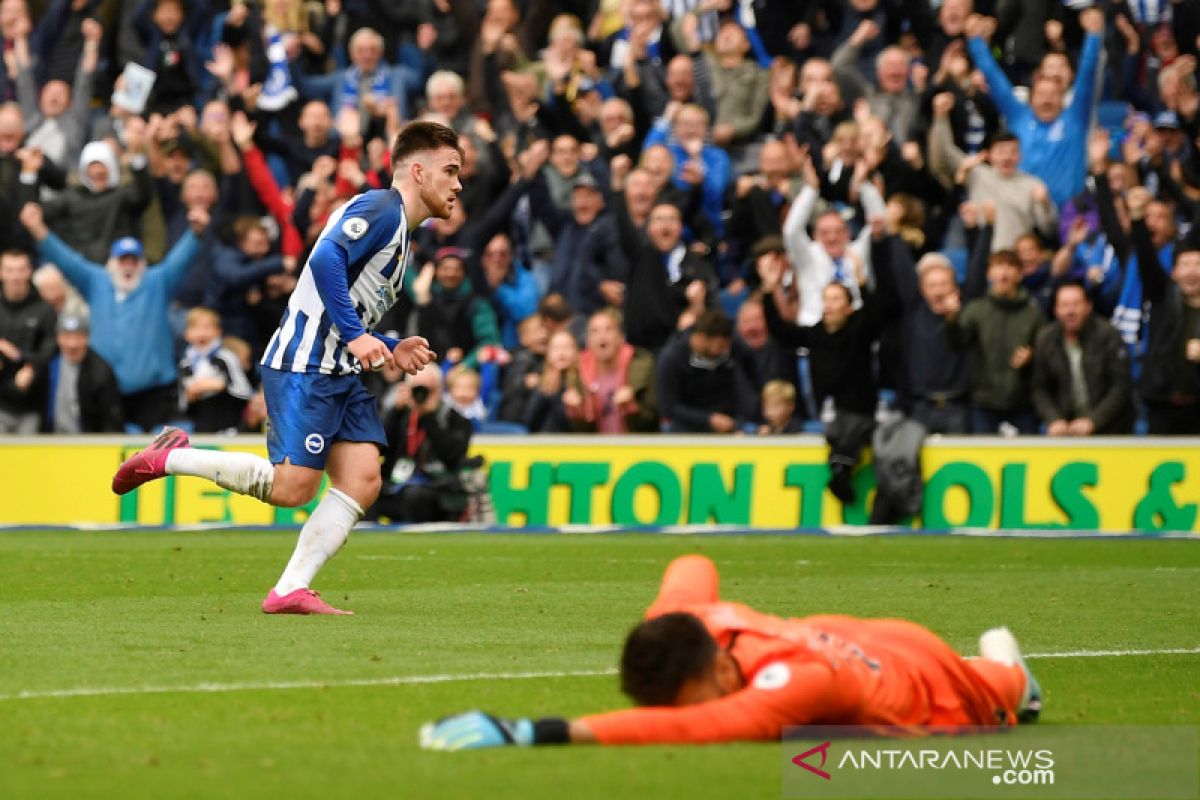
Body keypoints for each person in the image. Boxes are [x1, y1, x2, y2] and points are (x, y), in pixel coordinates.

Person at [108, 121, 459, 615]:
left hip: (338, 369)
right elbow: (326, 260)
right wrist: (360, 337)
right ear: (418, 171)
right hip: (305, 363)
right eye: (450, 170)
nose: (458, 183)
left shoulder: (401, 236)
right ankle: (171, 457)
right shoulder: (382, 208)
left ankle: (290, 588)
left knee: (362, 479)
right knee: (292, 487)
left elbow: (340, 303)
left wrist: (387, 343)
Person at [419, 554, 1042, 749]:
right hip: (856, 635)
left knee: (1005, 688)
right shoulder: (682, 624)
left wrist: (535, 731)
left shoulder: (799, 686)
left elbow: (710, 723)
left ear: (721, 666)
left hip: (925, 680)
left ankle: (1012, 671)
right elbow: (692, 563)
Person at [20, 206, 208, 432]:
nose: (128, 265)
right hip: (106, 390)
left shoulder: (158, 281)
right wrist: (38, 230)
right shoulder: (95, 280)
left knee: (155, 455)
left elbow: (180, 260)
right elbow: (66, 260)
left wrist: (195, 232)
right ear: (112, 262)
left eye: (134, 260)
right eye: (122, 260)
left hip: (154, 392)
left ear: (142, 263)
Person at [366, 363, 474, 524]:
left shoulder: (455, 419)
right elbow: (378, 448)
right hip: (398, 486)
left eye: (427, 390)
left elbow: (452, 456)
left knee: (415, 495)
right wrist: (394, 412)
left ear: (439, 389)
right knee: (365, 489)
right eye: (416, 389)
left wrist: (428, 417)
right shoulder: (401, 415)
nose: (420, 395)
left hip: (438, 491)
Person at [1031, 282, 1134, 436]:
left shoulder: (1108, 335)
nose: (1070, 311)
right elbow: (1039, 388)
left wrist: (1094, 420)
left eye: (1076, 304)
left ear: (1088, 307)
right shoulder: (1045, 339)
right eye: (1064, 305)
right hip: (1065, 430)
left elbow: (1120, 386)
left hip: (1111, 431)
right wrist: (1054, 419)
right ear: (1056, 310)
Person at [41, 312, 123, 434]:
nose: (72, 344)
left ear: (88, 338)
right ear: (58, 338)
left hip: (87, 442)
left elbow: (112, 420)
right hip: (49, 440)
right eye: (66, 336)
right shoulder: (47, 362)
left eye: (79, 337)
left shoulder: (101, 371)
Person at [178, 307, 255, 434]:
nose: (202, 333)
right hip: (202, 430)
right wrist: (191, 395)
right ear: (187, 334)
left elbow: (244, 393)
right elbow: (183, 405)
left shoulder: (226, 357)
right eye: (196, 328)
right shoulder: (185, 364)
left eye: (207, 327)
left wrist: (221, 386)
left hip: (230, 427)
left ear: (218, 331)